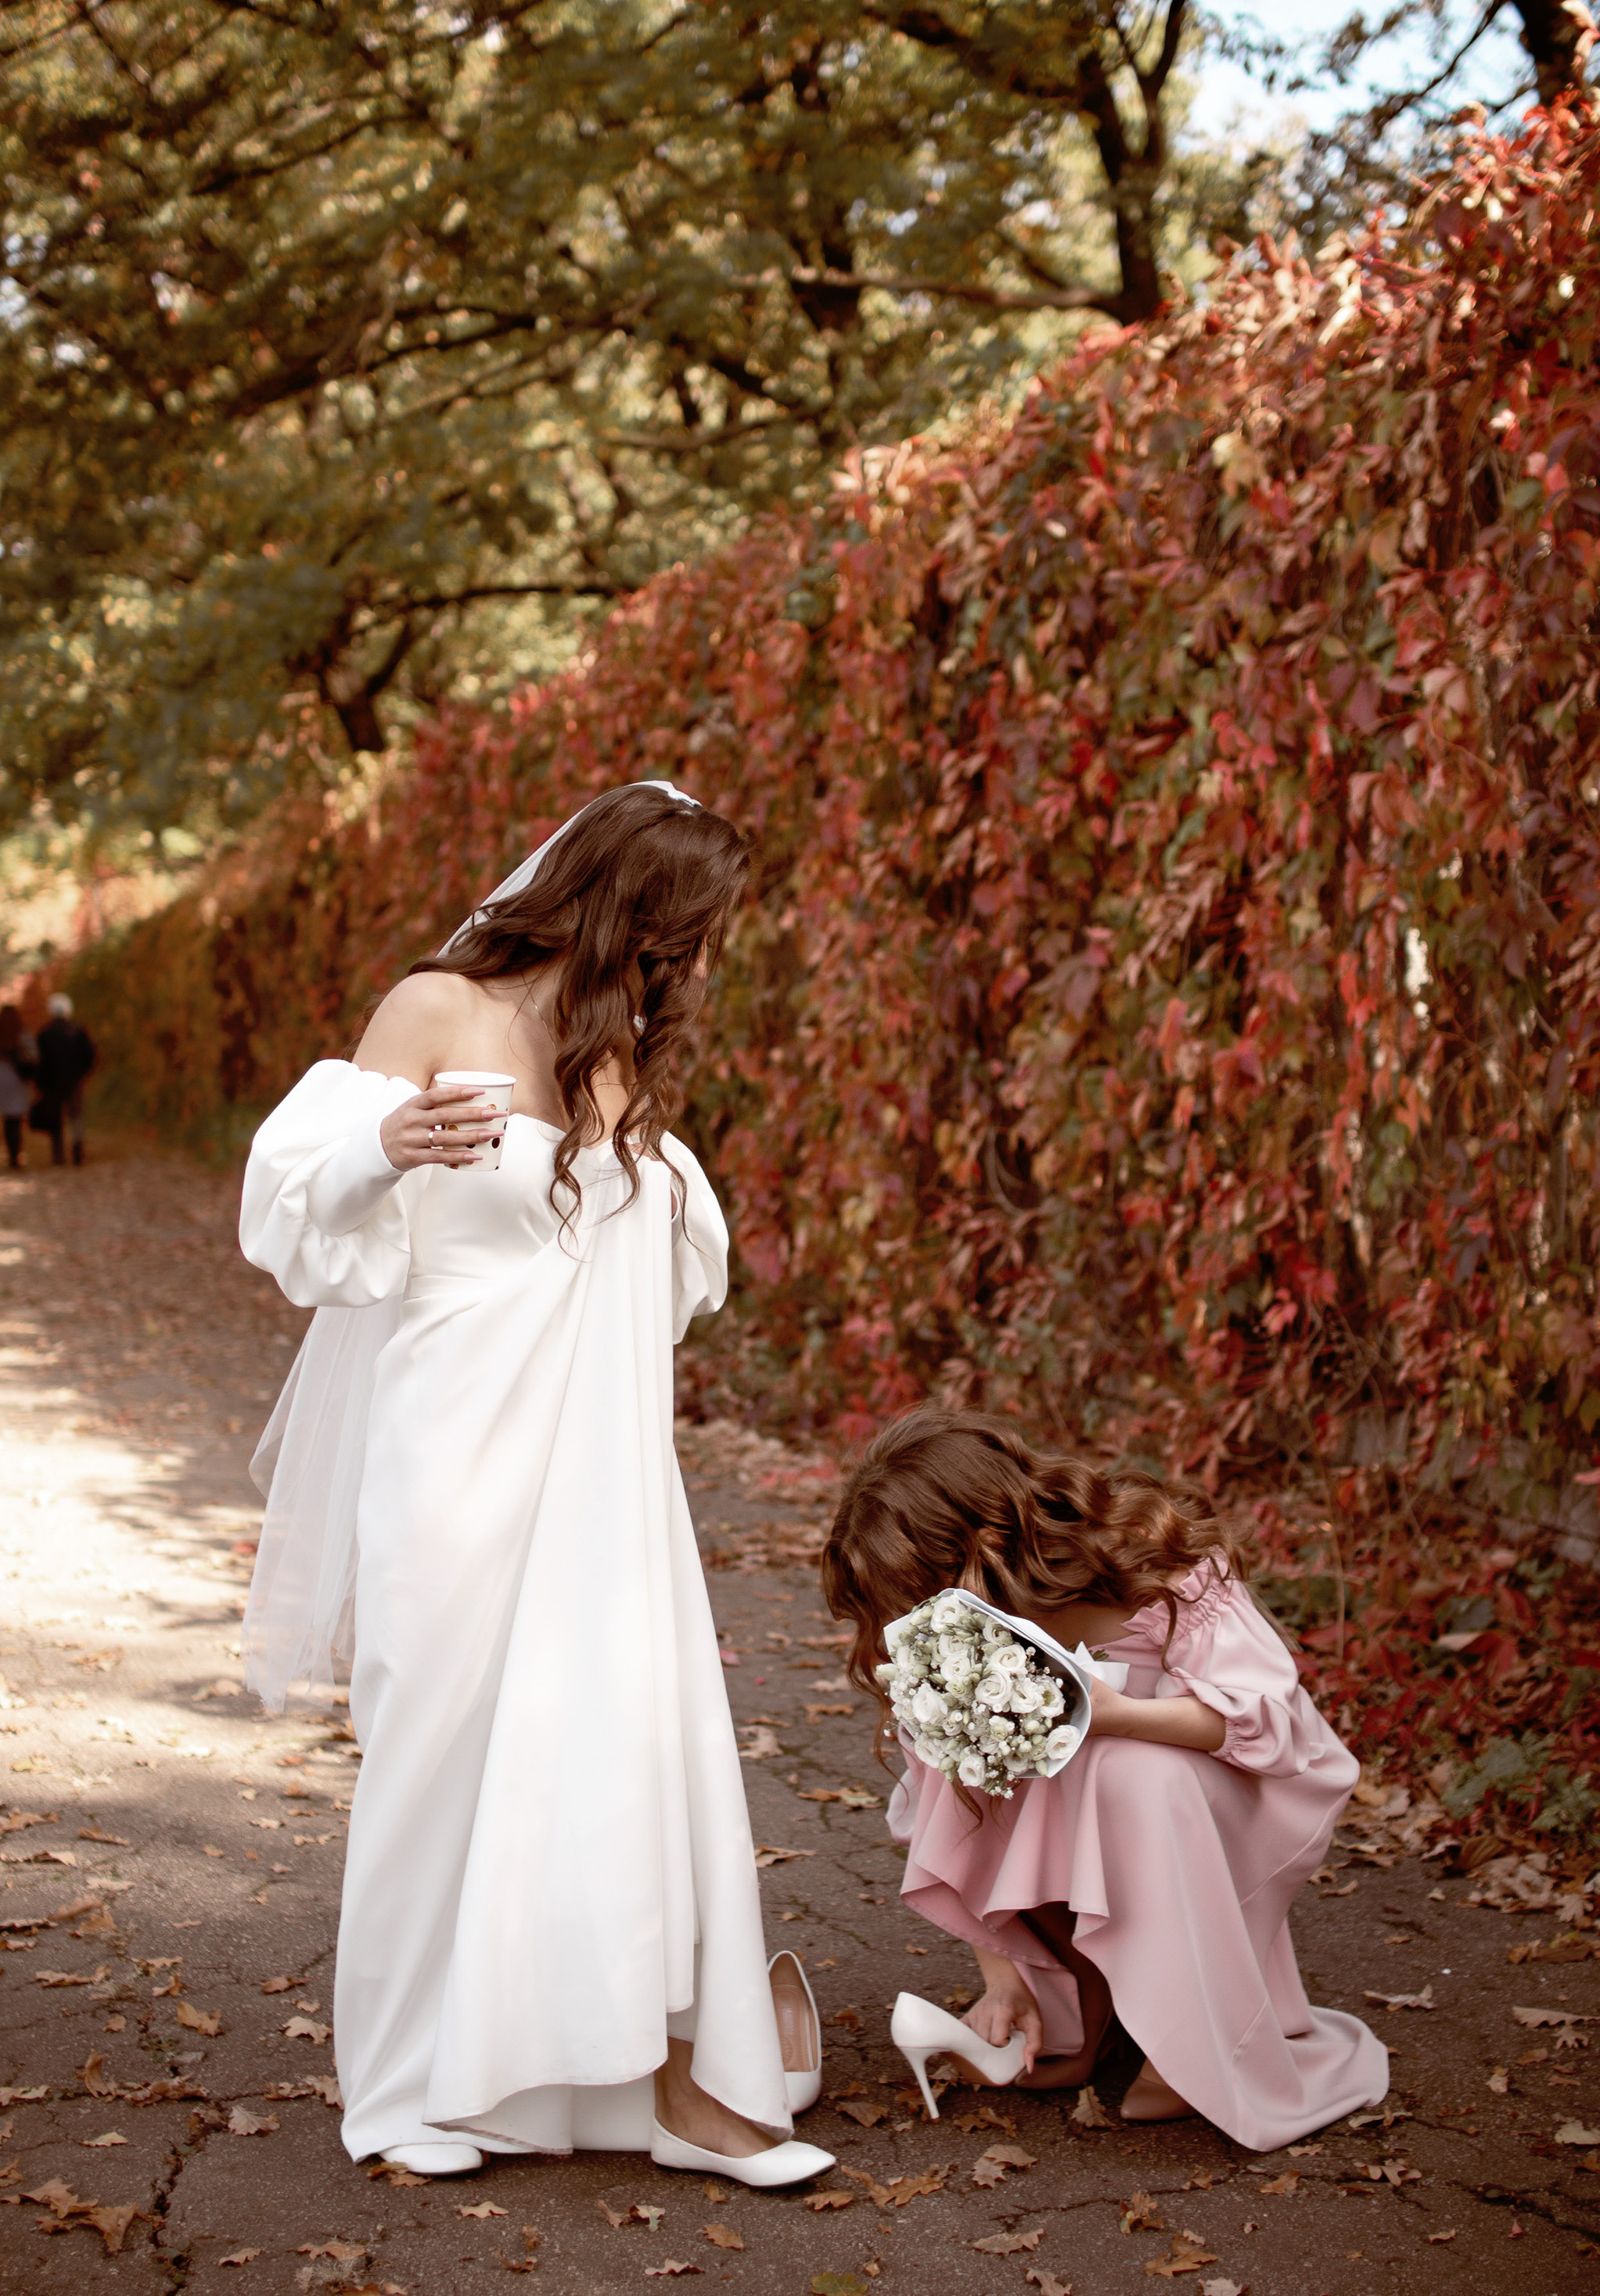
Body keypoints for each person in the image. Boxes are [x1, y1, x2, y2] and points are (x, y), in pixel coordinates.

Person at [237, 782, 833, 2189]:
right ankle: (394, 2087)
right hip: (449, 1452)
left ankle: (591, 2079)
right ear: (625, 895)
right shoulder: (436, 1006)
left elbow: (671, 1274)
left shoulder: (618, 1064)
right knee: (433, 1755)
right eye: (690, 922)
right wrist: (380, 1152)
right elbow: (286, 1199)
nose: (701, 954)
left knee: (603, 1757)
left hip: (605, 1482)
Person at [820, 1411, 1390, 2152]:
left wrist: (1114, 1715)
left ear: (988, 1546)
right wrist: (1000, 1976)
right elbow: (943, 1808)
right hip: (1113, 1804)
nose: (919, 1621)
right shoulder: (957, 1642)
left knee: (1129, 1770)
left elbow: (1268, 1728)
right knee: (1000, 1751)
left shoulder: (1156, 1569)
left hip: (1242, 1795)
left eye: (925, 1593)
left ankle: (1188, 2032)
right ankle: (1086, 1997)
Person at [34, 992, 95, 1166]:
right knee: (76, 1115)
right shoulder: (78, 1031)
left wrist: (40, 1083)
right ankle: (77, 1147)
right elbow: (90, 1056)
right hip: (74, 1081)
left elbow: (40, 1061)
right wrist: (82, 1074)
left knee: (56, 1119)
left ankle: (58, 1154)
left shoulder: (45, 1033)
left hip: (53, 1083)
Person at [0, 1004, 37, 1170]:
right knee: (15, 1120)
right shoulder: (22, 1034)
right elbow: (34, 1055)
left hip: (2, 1080)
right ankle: (16, 1155)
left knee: (8, 1120)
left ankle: (12, 1153)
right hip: (17, 1081)